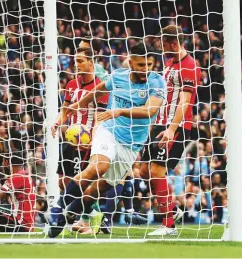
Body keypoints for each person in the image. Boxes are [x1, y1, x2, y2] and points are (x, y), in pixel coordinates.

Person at [47, 42, 166, 238]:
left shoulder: (156, 82)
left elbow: (149, 110)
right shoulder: (118, 75)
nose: (145, 70)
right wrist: (76, 105)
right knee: (97, 167)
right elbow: (98, 90)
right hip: (109, 131)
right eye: (140, 65)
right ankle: (57, 209)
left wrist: (119, 110)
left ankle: (71, 213)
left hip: (131, 143)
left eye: (149, 65)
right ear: (130, 61)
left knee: (100, 188)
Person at [140, 25, 201, 236]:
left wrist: (171, 129)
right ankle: (172, 210)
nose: (161, 47)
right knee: (144, 171)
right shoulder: (167, 64)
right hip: (159, 124)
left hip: (175, 127)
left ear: (173, 43)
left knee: (157, 171)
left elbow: (185, 102)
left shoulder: (189, 65)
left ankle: (168, 225)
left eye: (163, 43)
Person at [52, 47, 108, 234]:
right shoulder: (71, 85)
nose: (76, 65)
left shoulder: (101, 86)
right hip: (70, 140)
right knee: (63, 183)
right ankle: (90, 215)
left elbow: (101, 117)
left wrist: (93, 139)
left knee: (81, 182)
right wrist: (58, 122)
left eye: (81, 61)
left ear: (91, 62)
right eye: (75, 61)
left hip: (86, 143)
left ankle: (90, 217)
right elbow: (65, 110)